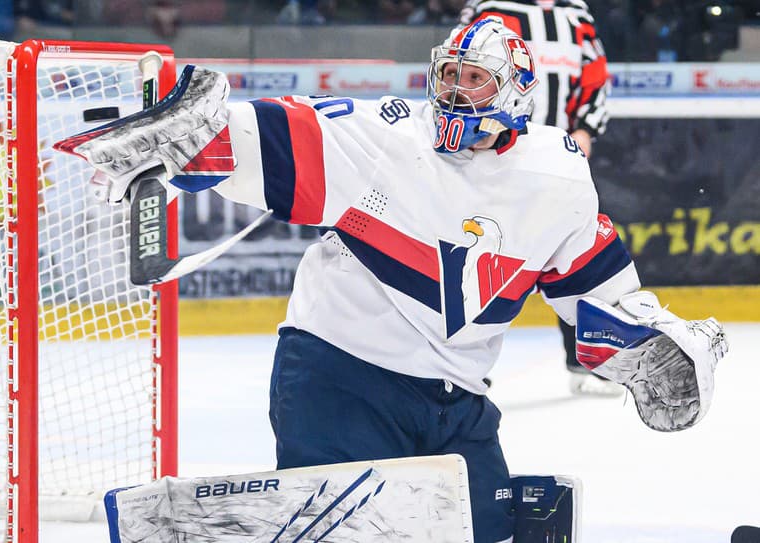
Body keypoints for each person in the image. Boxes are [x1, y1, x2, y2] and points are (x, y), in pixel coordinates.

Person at [54, 18, 728, 543]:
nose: (455, 92)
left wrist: (647, 348)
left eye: (475, 80)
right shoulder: (389, 140)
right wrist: (193, 136)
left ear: (516, 93)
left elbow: (597, 299)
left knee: (483, 532)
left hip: (455, 399)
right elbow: (278, 138)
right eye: (449, 76)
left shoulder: (557, 180)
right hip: (339, 379)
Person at [461, 0, 616, 395]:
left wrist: (584, 129)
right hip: (494, 156)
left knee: (574, 255)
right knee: (478, 259)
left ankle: (586, 362)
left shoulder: (576, 14)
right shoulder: (490, 6)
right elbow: (459, 70)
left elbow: (595, 77)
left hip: (558, 159)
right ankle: (460, 366)